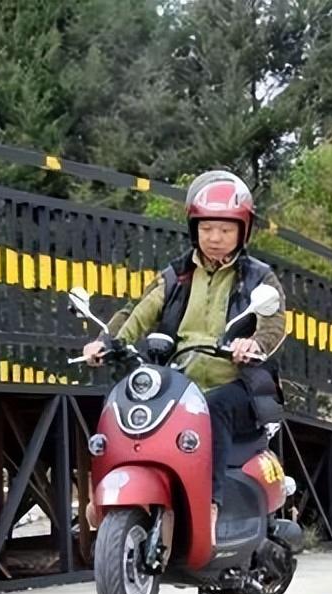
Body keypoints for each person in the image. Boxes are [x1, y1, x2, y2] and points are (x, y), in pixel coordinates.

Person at [82, 170, 287, 544]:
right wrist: (106, 342)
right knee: (124, 401)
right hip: (179, 380)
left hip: (236, 381)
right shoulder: (175, 275)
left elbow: (274, 325)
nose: (215, 237)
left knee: (215, 409)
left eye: (225, 229)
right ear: (195, 229)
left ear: (242, 231)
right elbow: (137, 312)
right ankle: (107, 493)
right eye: (207, 228)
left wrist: (253, 345)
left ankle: (210, 505)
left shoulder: (259, 277)